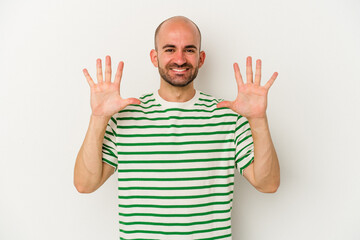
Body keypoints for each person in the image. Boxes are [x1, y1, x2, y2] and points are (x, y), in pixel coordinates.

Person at [74, 16, 280, 240]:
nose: (180, 59)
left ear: (201, 59)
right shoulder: (125, 117)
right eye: (170, 49)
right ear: (155, 57)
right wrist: (98, 117)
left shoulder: (229, 117)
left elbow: (268, 184)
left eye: (189, 50)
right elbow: (85, 184)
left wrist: (258, 119)